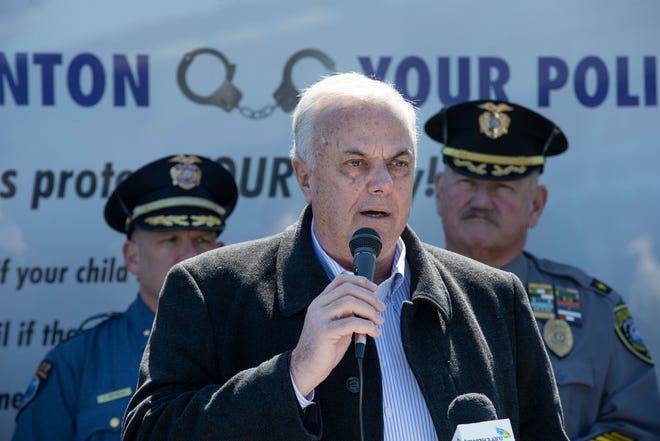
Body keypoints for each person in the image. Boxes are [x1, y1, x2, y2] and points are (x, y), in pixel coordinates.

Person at [121, 72, 568, 441]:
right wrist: (293, 376)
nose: (382, 183)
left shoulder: (494, 298)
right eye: (355, 164)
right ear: (305, 177)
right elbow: (149, 433)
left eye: (399, 164)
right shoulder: (210, 290)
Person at [425, 100, 660, 441]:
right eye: (466, 183)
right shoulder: (393, 297)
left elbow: (639, 428)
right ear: (439, 192)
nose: (481, 202)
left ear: (536, 205)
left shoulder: (596, 312)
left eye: (502, 188)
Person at [12, 154, 239, 441]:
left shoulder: (255, 347)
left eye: (201, 241)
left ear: (221, 253)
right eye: (170, 240)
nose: (190, 257)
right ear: (132, 257)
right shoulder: (77, 363)